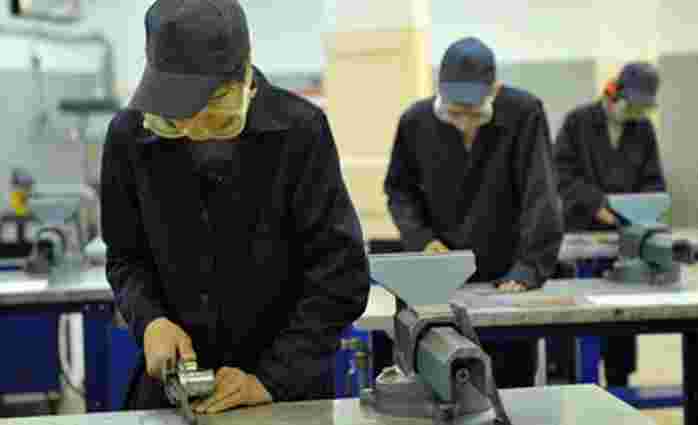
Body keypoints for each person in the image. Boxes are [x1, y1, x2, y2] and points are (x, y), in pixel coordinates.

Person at [101, 0, 369, 413]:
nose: (191, 130)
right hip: (176, 389)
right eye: (175, 117)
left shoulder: (300, 133)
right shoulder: (129, 136)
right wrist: (150, 320)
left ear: (245, 78)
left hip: (283, 391)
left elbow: (341, 275)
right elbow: (126, 258)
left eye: (210, 111)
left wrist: (272, 378)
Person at [384, 37, 564, 388]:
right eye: (454, 113)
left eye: (474, 113)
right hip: (438, 277)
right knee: (441, 384)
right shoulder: (416, 121)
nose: (465, 123)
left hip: (506, 276)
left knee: (512, 388)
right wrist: (422, 241)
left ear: (494, 90)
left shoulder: (524, 113)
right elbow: (399, 191)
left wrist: (528, 267)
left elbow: (540, 193)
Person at [554, 62, 665, 386]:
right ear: (614, 93)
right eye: (632, 106)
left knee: (622, 323)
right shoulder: (578, 122)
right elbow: (561, 175)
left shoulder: (643, 129)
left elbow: (654, 181)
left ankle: (619, 382)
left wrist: (644, 211)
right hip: (581, 235)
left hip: (626, 240)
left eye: (642, 109)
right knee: (579, 325)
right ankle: (575, 381)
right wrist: (595, 205)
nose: (636, 114)